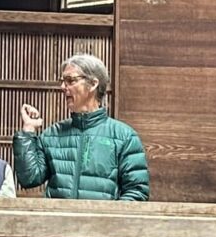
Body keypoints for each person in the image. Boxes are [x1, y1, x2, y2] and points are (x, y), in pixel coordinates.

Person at [12, 53, 148, 200]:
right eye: (63, 81)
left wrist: (107, 220)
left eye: (71, 80)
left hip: (103, 222)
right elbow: (30, 179)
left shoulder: (124, 136)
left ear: (93, 84)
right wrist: (28, 131)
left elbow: (137, 193)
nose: (63, 87)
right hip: (58, 222)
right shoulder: (52, 134)